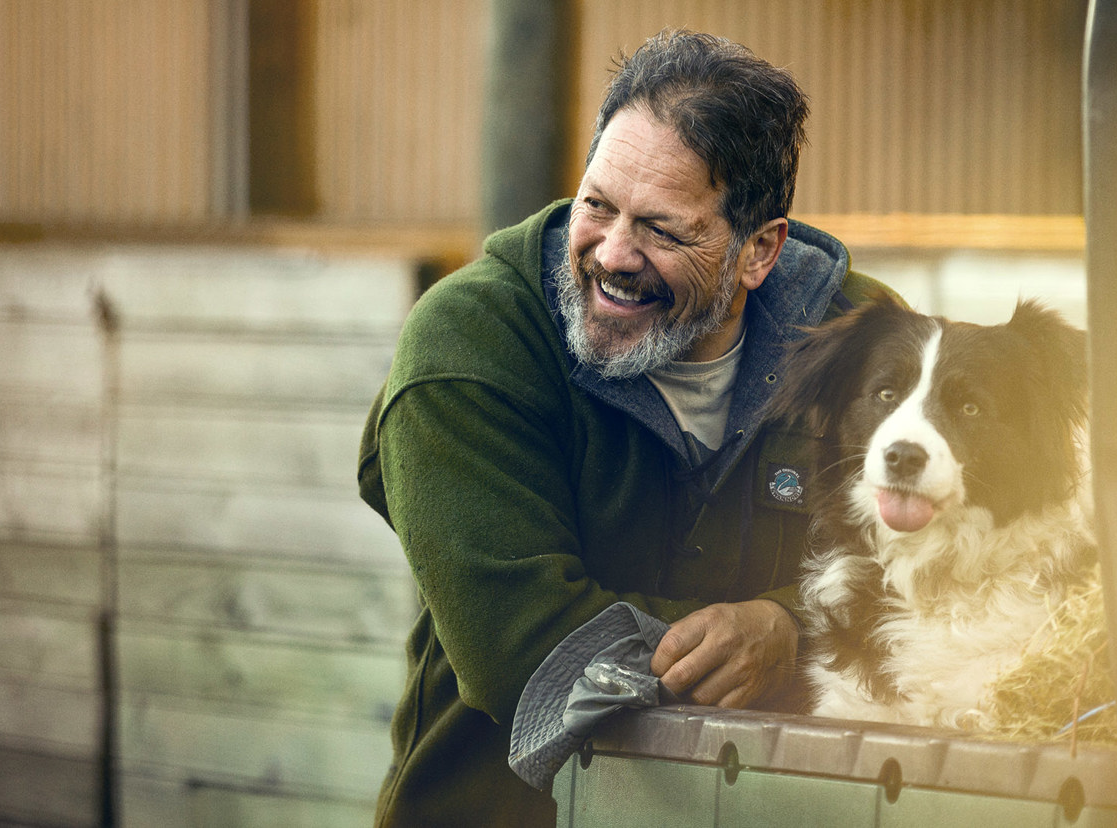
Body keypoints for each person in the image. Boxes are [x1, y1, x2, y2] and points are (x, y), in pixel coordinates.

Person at [357, 29, 893, 826]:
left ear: (760, 251)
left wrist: (785, 626)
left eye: (663, 230)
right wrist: (812, 635)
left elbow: (945, 585)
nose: (612, 254)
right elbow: (532, 656)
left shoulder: (867, 346)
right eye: (597, 205)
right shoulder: (470, 342)